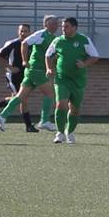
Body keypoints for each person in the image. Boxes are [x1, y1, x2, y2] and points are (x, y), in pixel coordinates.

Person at [0, 14, 59, 133]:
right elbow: (24, 43)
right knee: (49, 93)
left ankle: (2, 116)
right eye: (54, 23)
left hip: (33, 71)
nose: (56, 25)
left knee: (20, 96)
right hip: (37, 69)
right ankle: (44, 121)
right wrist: (24, 60)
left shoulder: (53, 37)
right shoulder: (41, 34)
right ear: (46, 24)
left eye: (57, 23)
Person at [45, 17, 100, 145]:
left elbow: (95, 56)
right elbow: (48, 55)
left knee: (75, 109)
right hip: (62, 79)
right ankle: (59, 133)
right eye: (62, 27)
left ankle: (69, 132)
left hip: (78, 80)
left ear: (74, 28)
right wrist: (49, 68)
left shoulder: (84, 40)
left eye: (67, 27)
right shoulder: (58, 41)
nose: (63, 29)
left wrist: (84, 64)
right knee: (61, 105)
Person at [0, 23, 38, 132]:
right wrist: (10, 67)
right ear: (18, 32)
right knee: (23, 99)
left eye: (25, 31)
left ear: (30, 32)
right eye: (21, 31)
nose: (23, 33)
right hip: (14, 76)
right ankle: (28, 126)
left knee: (18, 97)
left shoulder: (32, 44)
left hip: (26, 75)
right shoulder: (13, 43)